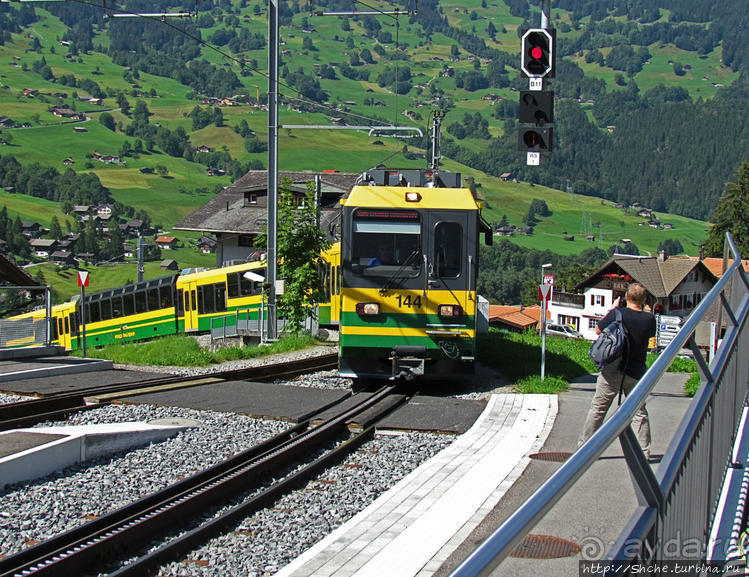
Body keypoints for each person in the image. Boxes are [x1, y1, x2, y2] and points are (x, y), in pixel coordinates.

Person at [579, 283, 657, 459]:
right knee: (639, 412)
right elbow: (650, 334)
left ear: (626, 297)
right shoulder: (649, 319)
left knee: (598, 409)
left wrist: (613, 310)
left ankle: (585, 449)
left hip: (612, 370)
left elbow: (599, 329)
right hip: (636, 371)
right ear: (644, 300)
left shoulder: (617, 314)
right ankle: (643, 452)